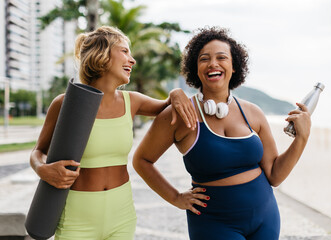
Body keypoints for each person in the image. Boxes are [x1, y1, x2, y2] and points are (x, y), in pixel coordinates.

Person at [133, 26, 311, 240]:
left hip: (266, 218)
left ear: (234, 66)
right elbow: (142, 160)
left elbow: (275, 175)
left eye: (221, 57)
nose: (213, 64)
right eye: (204, 59)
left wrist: (302, 138)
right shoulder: (180, 114)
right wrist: (176, 197)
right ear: (195, 68)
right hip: (213, 223)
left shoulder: (253, 113)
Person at [30, 26, 198, 240]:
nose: (132, 60)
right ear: (102, 55)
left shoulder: (133, 101)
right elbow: (38, 152)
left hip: (122, 215)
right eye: (125, 51)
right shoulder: (65, 103)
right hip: (77, 218)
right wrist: (42, 169)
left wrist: (175, 92)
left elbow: (169, 105)